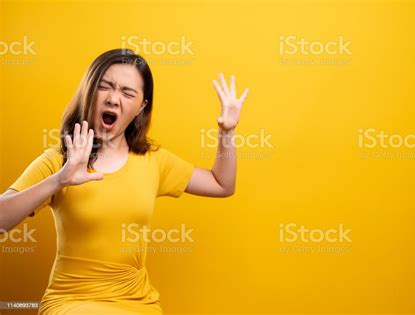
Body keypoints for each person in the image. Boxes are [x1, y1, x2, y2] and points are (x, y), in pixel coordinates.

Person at [0, 48, 249, 314]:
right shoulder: (60, 160)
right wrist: (58, 180)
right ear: (89, 92)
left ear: (141, 106)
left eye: (128, 93)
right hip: (72, 301)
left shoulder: (153, 161)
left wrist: (227, 131)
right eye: (105, 87)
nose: (114, 99)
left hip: (138, 303)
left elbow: (222, 185)